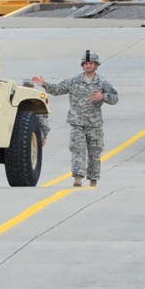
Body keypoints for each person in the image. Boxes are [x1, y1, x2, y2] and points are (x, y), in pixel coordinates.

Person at [32, 50, 119, 187]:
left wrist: (103, 97)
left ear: (96, 65)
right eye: (86, 63)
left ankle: (93, 179)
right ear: (82, 65)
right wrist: (44, 84)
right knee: (78, 150)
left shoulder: (102, 83)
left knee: (95, 153)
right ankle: (78, 178)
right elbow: (57, 89)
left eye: (91, 63)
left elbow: (115, 98)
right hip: (77, 123)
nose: (88, 66)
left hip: (94, 124)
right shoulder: (74, 81)